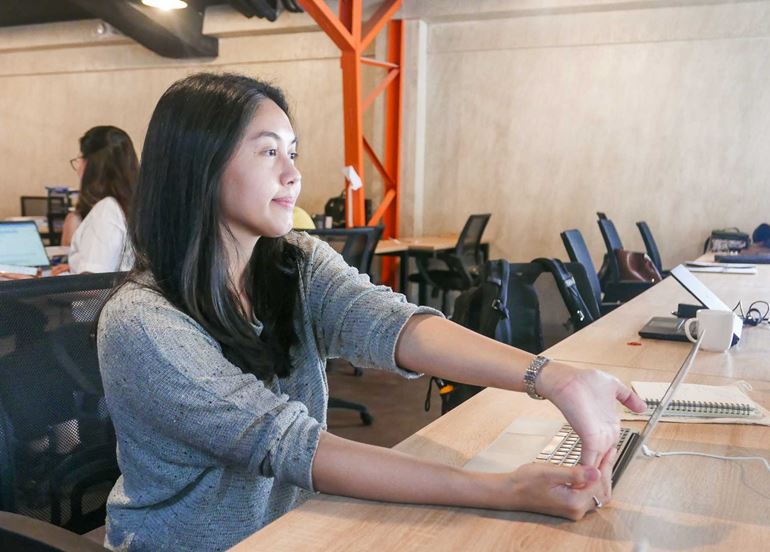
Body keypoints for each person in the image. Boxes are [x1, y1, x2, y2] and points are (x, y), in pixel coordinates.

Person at [97, 73, 646, 551]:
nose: (293, 174)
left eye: (294, 152)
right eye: (269, 152)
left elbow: (396, 325)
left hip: (294, 528)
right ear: (200, 166)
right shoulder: (142, 322)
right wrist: (501, 489)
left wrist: (553, 377)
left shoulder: (296, 263)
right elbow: (291, 444)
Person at [55, 126, 138, 274]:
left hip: (98, 297)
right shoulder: (133, 207)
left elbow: (91, 287)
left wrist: (43, 283)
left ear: (92, 164)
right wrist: (73, 270)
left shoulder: (106, 210)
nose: (78, 168)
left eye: (80, 159)